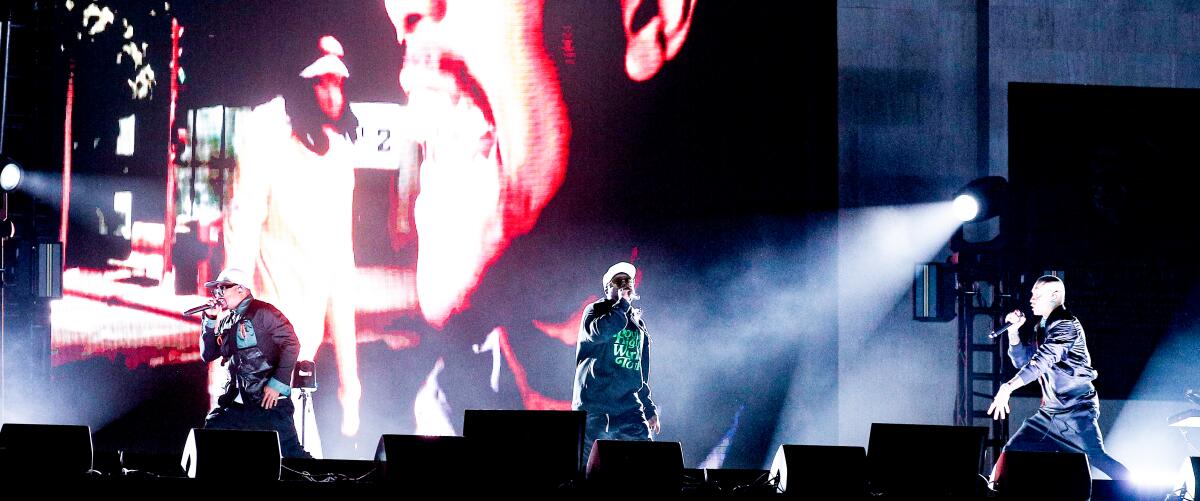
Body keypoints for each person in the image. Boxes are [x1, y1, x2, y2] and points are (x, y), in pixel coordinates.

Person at [225, 34, 362, 438]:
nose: (334, 91)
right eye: (322, 81)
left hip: (301, 358)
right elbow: (241, 245)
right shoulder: (267, 149)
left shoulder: (339, 159)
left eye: (339, 81)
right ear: (303, 85)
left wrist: (349, 385)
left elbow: (341, 271)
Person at [987, 275, 1129, 480]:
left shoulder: (1066, 325)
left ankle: (1140, 493)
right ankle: (994, 491)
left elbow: (1041, 362)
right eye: (1031, 294)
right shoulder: (1041, 327)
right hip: (1049, 413)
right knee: (1012, 453)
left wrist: (1008, 387)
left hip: (1077, 408)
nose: (1031, 299)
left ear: (1055, 295)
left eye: (1037, 294)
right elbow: (1023, 362)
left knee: (1096, 458)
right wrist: (1014, 332)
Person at [198, 268, 310, 459]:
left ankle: (329, 481)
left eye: (222, 288)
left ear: (241, 289)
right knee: (209, 441)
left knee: (291, 456)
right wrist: (209, 319)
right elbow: (208, 354)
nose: (218, 294)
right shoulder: (227, 321)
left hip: (268, 403)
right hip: (236, 405)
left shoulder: (264, 312)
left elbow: (291, 343)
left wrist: (277, 384)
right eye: (216, 290)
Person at [572, 262, 660, 466]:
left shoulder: (637, 324)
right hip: (596, 407)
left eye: (627, 281)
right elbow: (600, 332)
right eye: (618, 282)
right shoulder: (595, 311)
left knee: (645, 463)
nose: (624, 285)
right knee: (588, 468)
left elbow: (639, 372)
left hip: (628, 407)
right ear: (607, 288)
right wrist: (621, 305)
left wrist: (648, 408)